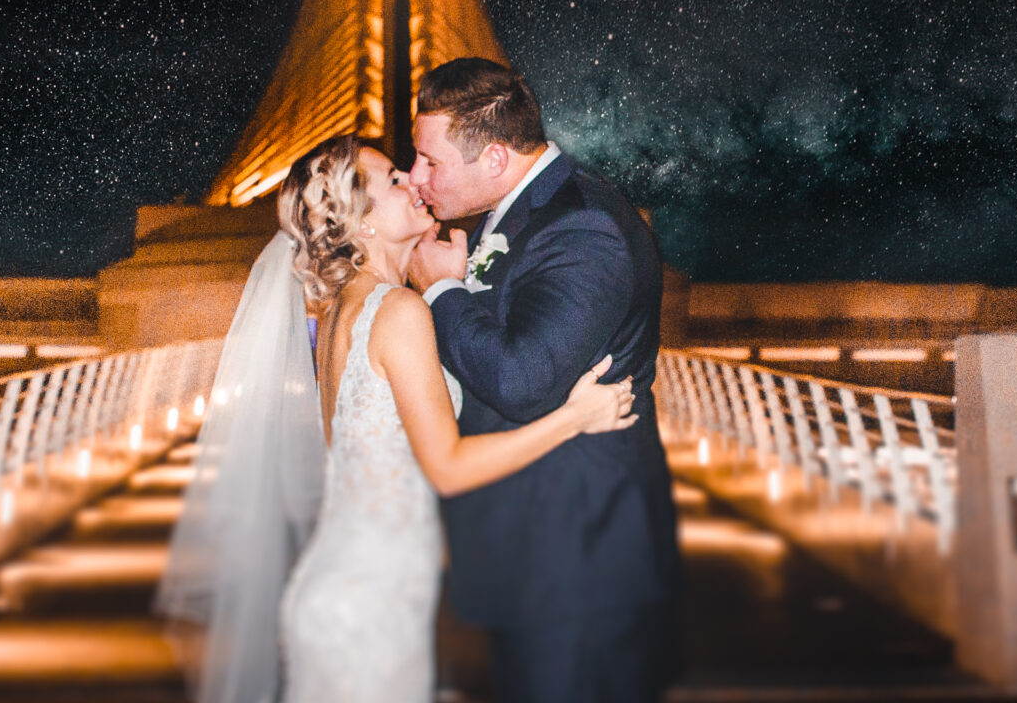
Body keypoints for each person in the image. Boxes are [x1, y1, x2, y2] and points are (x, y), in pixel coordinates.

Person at [156, 133, 637, 703]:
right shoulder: (397, 312)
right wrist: (575, 417)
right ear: (362, 221)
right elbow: (449, 468)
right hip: (370, 606)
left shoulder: (347, 310)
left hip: (351, 589)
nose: (413, 179)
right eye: (392, 180)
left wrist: (450, 285)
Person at [407, 57, 682, 703]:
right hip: (535, 554)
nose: (418, 177)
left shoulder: (581, 226)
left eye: (431, 161)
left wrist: (443, 290)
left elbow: (523, 377)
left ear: (496, 159)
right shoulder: (524, 214)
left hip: (576, 562)